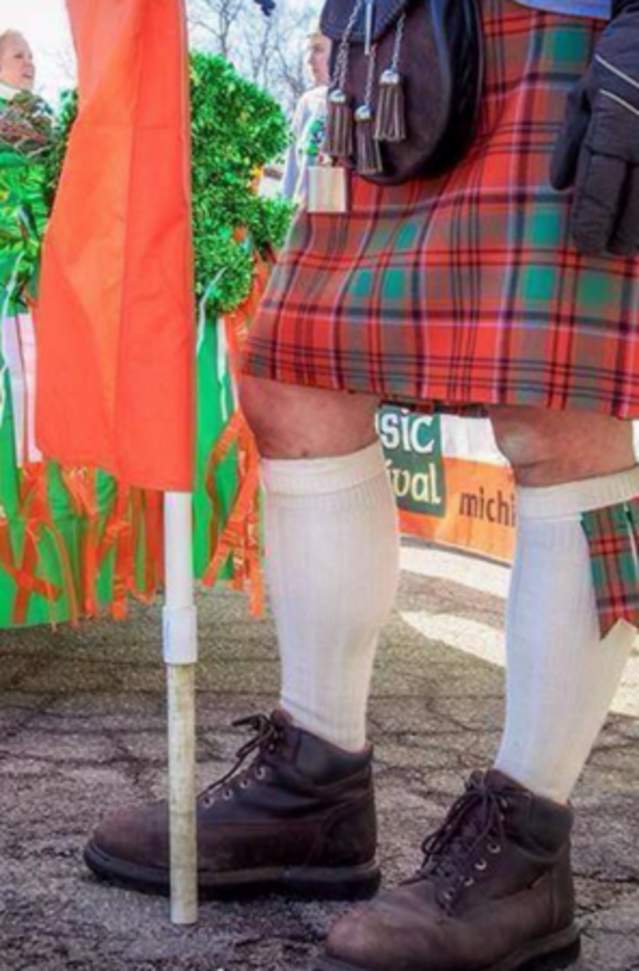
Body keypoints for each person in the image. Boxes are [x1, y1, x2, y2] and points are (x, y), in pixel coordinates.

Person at [85, 1, 639, 969]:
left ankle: (524, 845)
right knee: (294, 375)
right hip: (388, 45)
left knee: (557, 409)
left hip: (569, 27)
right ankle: (314, 783)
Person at [280, 27, 331, 204]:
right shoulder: (308, 102)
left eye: (318, 49)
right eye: (309, 50)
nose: (309, 60)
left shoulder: (365, 102)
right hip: (303, 219)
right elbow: (291, 171)